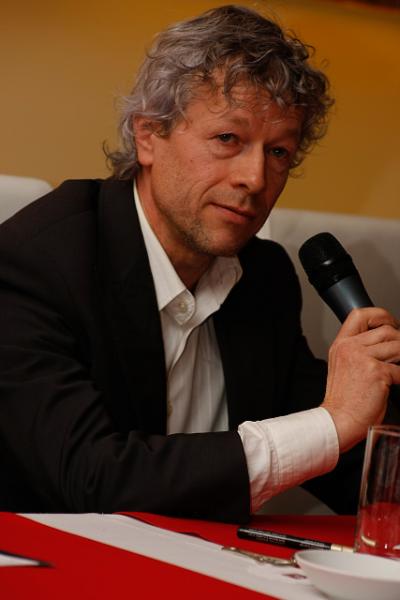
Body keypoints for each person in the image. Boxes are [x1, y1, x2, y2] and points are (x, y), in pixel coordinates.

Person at [0, 5, 399, 522]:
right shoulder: (37, 262)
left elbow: (351, 474)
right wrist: (332, 422)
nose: (255, 178)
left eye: (278, 152)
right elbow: (95, 479)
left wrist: (366, 409)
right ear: (149, 135)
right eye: (228, 139)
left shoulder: (264, 277)